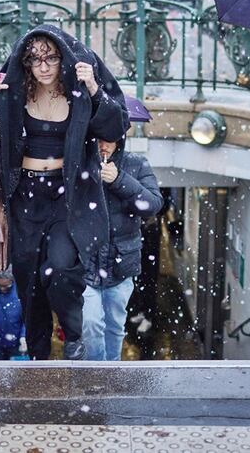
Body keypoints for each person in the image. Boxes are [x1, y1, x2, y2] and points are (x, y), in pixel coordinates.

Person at [0, 24, 129, 360]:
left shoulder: (80, 91)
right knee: (28, 279)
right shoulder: (14, 92)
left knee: (60, 267)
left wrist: (95, 88)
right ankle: (38, 354)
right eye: (34, 59)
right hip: (24, 195)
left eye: (50, 58)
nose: (42, 66)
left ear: (62, 59)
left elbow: (116, 125)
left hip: (65, 196)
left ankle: (73, 333)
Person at [83, 137, 163, 361]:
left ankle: (112, 370)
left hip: (120, 265)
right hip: (86, 264)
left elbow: (153, 204)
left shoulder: (136, 163)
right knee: (90, 323)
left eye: (110, 141)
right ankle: (97, 372)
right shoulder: (81, 162)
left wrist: (118, 179)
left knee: (114, 325)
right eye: (99, 139)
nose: (104, 146)